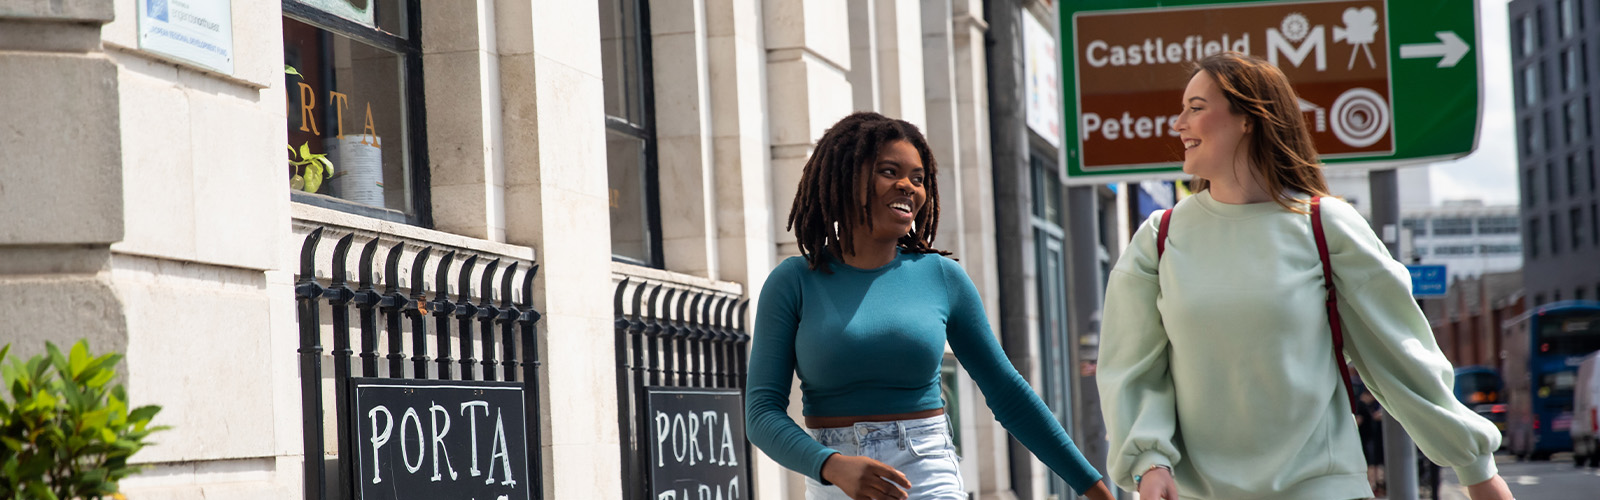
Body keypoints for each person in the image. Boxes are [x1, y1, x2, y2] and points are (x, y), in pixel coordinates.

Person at [1095, 52, 1513, 500]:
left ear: (1249, 119)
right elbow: (1132, 370)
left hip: (1322, 487)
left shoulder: (1325, 226)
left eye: (1196, 108)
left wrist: (1477, 469)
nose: (1178, 124)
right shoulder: (1159, 240)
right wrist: (1149, 463)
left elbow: (1401, 355)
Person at [745, 112, 1114, 500]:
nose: (908, 187)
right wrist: (830, 464)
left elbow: (1008, 393)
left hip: (926, 473)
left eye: (919, 179)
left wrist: (1093, 488)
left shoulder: (941, 277)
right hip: (836, 480)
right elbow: (761, 413)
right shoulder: (794, 281)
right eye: (890, 171)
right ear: (847, 176)